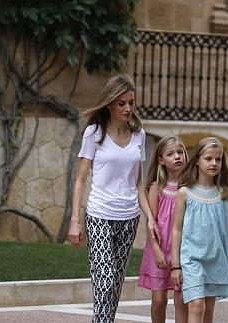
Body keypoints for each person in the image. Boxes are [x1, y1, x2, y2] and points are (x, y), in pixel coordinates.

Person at [67, 73, 160, 323]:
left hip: (128, 218)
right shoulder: (94, 133)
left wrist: (150, 218)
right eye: (122, 103)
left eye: (131, 102)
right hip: (99, 215)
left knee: (115, 283)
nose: (128, 108)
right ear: (109, 104)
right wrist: (75, 220)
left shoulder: (139, 135)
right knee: (105, 277)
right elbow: (81, 180)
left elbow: (138, 183)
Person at [170, 137, 228, 323]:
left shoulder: (224, 193)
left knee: (208, 311)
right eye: (208, 158)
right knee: (197, 305)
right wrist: (176, 266)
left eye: (218, 159)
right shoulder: (184, 193)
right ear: (197, 160)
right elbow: (177, 231)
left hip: (215, 260)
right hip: (192, 260)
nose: (214, 163)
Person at [138, 136, 189, 323]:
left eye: (180, 152)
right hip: (158, 249)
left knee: (181, 299)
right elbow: (151, 222)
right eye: (170, 154)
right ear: (161, 160)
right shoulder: (156, 188)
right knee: (159, 300)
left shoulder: (189, 187)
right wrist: (157, 251)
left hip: (182, 250)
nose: (177, 156)